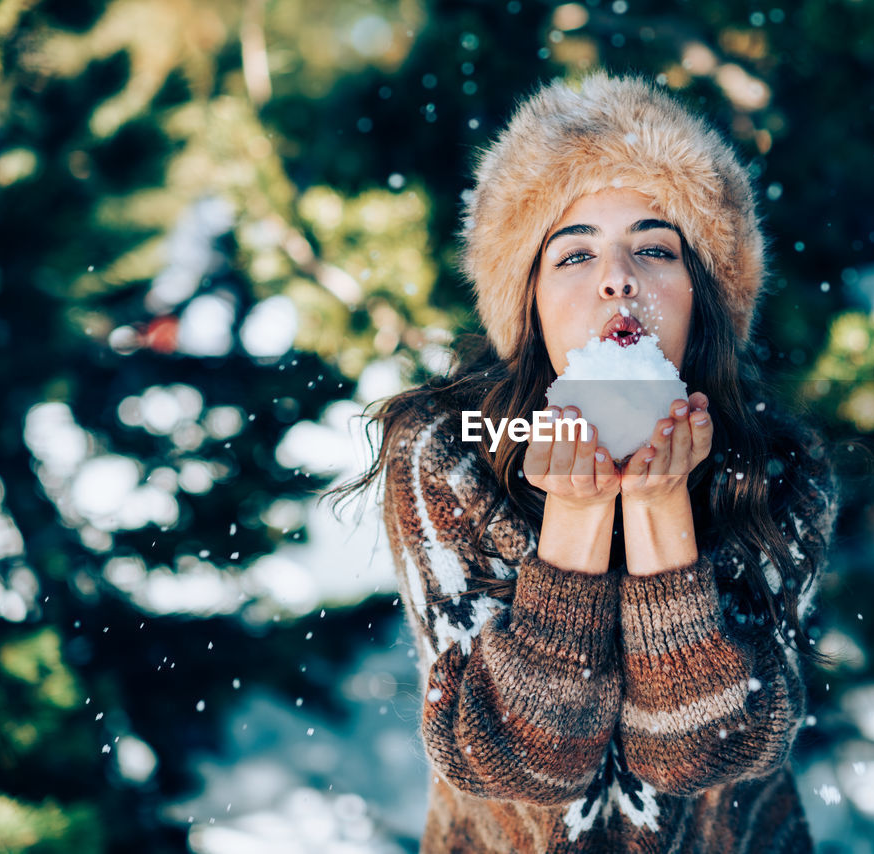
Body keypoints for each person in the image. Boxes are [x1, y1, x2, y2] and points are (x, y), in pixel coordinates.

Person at [329, 71, 841, 853]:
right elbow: (518, 766)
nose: (618, 278)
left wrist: (661, 511)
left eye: (653, 247)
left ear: (703, 294)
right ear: (527, 299)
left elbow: (703, 756)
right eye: (574, 255)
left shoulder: (780, 473)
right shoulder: (448, 451)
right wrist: (574, 519)